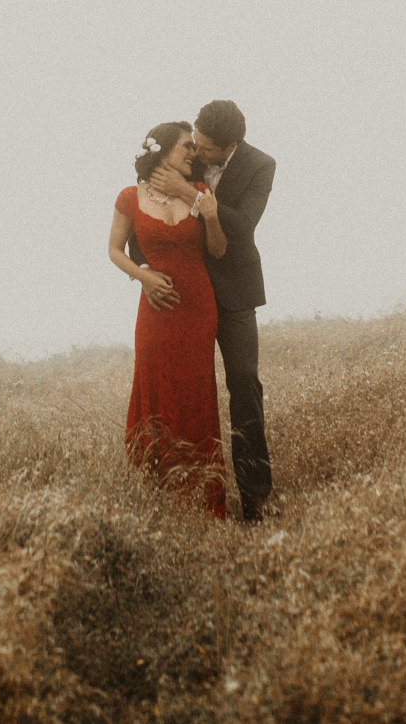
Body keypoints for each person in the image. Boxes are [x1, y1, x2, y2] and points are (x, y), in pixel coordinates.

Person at [143, 99, 274, 522]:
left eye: (205, 149)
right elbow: (143, 212)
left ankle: (256, 498)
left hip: (235, 295)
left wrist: (190, 195)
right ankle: (179, 493)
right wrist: (144, 272)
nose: (195, 154)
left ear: (229, 146)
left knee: (243, 386)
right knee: (182, 391)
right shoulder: (186, 153)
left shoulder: (260, 166)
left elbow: (242, 226)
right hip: (185, 294)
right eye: (193, 143)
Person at [108, 120, 229, 518]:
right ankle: (155, 497)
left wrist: (209, 215)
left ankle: (203, 501)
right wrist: (143, 277)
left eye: (195, 148)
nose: (193, 153)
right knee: (154, 390)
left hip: (198, 308)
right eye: (185, 147)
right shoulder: (130, 196)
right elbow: (114, 250)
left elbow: (218, 251)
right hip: (156, 311)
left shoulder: (201, 193)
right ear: (162, 153)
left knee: (196, 395)